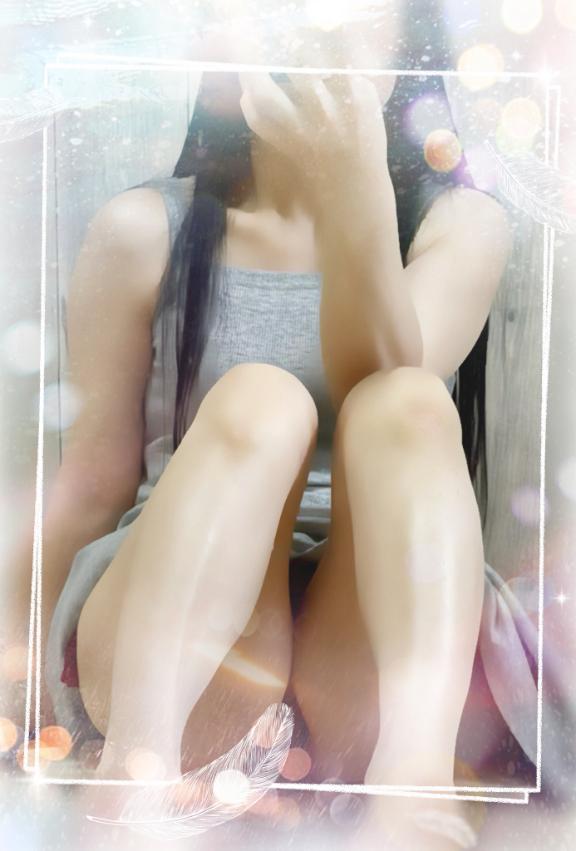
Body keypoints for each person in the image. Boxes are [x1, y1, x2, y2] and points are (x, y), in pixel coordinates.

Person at [7, 3, 563, 848]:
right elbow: (90, 480)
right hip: (179, 630)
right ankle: (131, 784)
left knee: (408, 401)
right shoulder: (147, 229)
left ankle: (412, 787)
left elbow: (381, 372)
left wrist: (354, 190)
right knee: (261, 399)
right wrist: (15, 675)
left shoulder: (459, 224)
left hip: (374, 652)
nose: (318, 34)